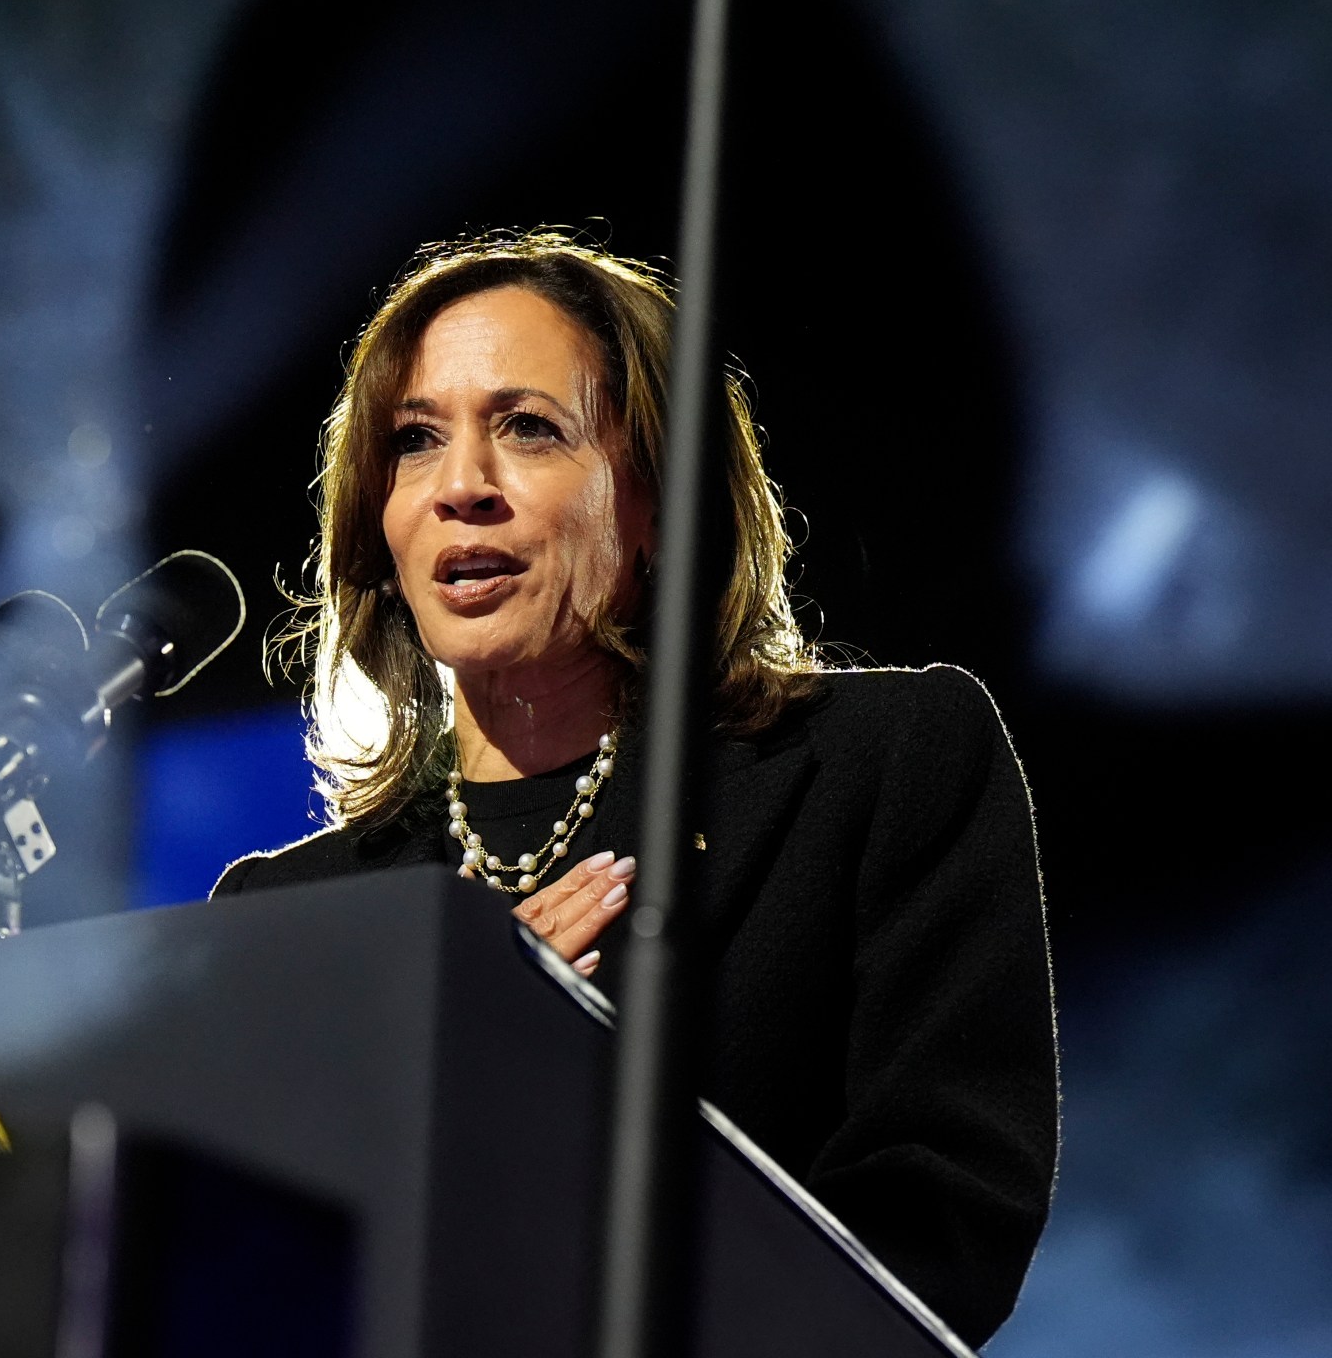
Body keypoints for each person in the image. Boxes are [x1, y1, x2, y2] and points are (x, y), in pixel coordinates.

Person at [210, 231, 1056, 1345]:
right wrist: (447, 1087)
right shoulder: (288, 917)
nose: (462, 486)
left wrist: (552, 1096)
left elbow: (939, 1234)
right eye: (414, 442)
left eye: (527, 429)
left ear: (658, 500)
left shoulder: (879, 764)